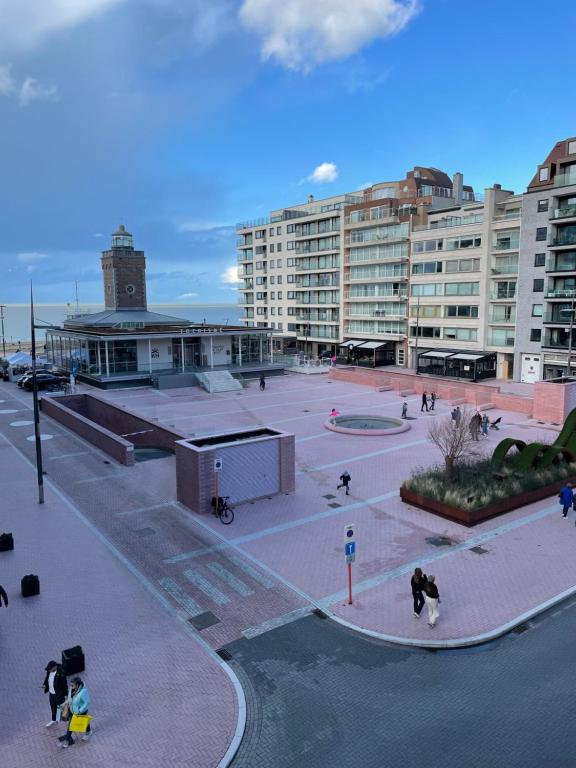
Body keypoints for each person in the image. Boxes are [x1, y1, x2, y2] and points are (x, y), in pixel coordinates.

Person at [59, 677, 91, 748]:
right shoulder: (72, 689)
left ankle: (67, 741)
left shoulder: (83, 692)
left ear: (77, 685)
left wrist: (80, 710)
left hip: (80, 712)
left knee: (77, 724)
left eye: (72, 685)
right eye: (70, 685)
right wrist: (64, 703)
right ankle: (88, 732)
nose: (71, 687)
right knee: (72, 725)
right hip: (72, 710)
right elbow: (70, 699)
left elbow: (86, 702)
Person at [43, 661, 68, 728]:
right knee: (53, 707)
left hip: (59, 694)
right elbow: (47, 679)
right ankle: (53, 719)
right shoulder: (49, 671)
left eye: (50, 669)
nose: (49, 670)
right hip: (51, 693)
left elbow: (64, 685)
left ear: (55, 667)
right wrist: (45, 685)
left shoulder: (61, 673)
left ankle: (69, 718)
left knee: (62, 707)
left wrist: (66, 695)